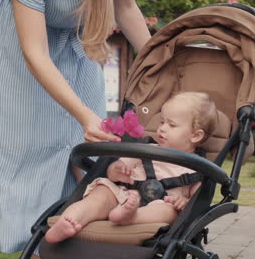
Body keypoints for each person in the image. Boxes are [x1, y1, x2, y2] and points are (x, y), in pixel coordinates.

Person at [0, 0, 151, 254]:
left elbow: (125, 7)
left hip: (78, 46)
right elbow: (35, 53)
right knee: (29, 155)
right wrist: (84, 116)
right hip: (20, 52)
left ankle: (78, 238)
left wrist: (162, 67)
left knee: (90, 158)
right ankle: (37, 247)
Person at [45, 92, 218, 243]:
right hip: (123, 194)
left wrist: (183, 202)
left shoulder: (197, 168)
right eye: (161, 122)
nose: (162, 129)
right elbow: (113, 172)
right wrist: (117, 171)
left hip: (159, 205)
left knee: (169, 212)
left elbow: (198, 202)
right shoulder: (144, 149)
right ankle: (69, 220)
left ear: (196, 135)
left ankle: (130, 217)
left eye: (171, 125)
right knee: (101, 193)